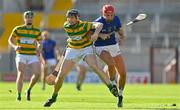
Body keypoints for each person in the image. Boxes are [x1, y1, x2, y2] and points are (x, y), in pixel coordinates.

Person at [44, 9, 119, 107]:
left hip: (86, 49)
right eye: (68, 17)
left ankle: (111, 87)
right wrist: (99, 35)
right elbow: (82, 35)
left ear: (77, 18)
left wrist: (96, 33)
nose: (70, 20)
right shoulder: (66, 25)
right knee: (61, 76)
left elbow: (99, 25)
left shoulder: (84, 25)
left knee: (94, 67)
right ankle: (53, 97)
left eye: (72, 18)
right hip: (73, 50)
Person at [94, 4, 127, 107]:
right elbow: (90, 35)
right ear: (103, 14)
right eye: (107, 15)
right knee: (111, 63)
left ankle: (120, 96)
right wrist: (100, 35)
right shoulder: (98, 22)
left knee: (123, 73)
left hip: (113, 45)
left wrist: (122, 36)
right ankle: (112, 84)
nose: (109, 17)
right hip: (100, 47)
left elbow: (119, 30)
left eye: (111, 15)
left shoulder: (116, 19)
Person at [8, 11, 42, 101]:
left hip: (32, 54)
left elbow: (39, 42)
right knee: (21, 73)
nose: (29, 18)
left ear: (33, 18)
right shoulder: (18, 29)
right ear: (24, 18)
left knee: (38, 74)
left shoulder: (37, 31)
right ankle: (18, 95)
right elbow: (10, 39)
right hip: (21, 54)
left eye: (31, 17)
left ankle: (28, 90)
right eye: (27, 17)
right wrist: (15, 46)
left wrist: (38, 47)